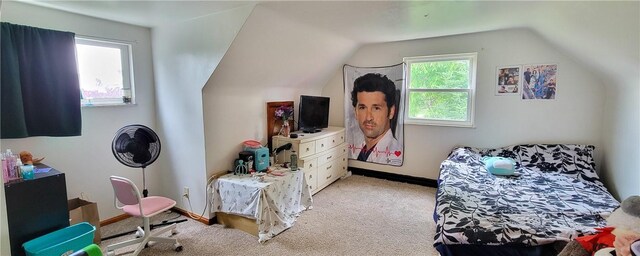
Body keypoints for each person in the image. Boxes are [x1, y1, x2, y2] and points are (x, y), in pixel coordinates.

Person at [350, 73, 402, 165]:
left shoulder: (395, 157)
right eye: (362, 108)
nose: (368, 117)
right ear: (356, 112)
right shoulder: (356, 150)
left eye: (376, 108)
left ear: (391, 112)